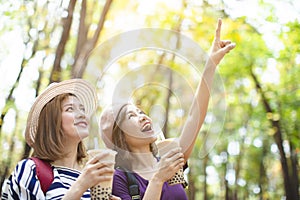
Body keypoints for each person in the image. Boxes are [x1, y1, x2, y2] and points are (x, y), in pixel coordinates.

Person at [99, 18, 236, 200]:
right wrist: (158, 179)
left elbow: (194, 116)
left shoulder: (170, 159)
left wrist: (211, 64)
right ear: (120, 135)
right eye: (131, 115)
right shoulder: (118, 180)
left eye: (141, 112)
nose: (143, 117)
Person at [1, 79, 120, 200]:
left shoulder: (93, 181)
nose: (82, 114)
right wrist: (79, 187)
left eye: (82, 109)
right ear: (52, 122)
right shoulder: (30, 170)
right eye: (70, 109)